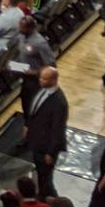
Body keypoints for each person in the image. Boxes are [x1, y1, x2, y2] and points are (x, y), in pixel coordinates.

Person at [23, 65, 68, 197]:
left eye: (45, 79)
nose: (41, 80)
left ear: (54, 80)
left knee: (46, 179)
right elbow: (34, 110)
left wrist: (51, 153)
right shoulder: (42, 89)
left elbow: (58, 130)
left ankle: (50, 200)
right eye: (41, 77)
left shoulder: (60, 103)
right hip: (37, 140)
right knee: (40, 172)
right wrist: (28, 125)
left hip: (46, 146)